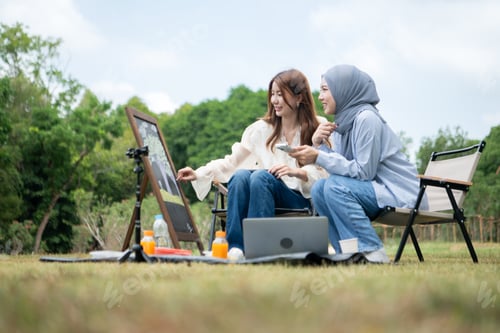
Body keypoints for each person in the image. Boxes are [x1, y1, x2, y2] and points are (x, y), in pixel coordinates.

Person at [177, 69, 327, 260]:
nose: (274, 100)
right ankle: (235, 249)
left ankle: (259, 250)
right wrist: (199, 173)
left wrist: (297, 172)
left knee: (261, 176)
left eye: (280, 94)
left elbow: (325, 169)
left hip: (298, 197)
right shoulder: (261, 130)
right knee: (240, 176)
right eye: (272, 94)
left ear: (299, 98)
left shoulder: (317, 126)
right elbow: (231, 162)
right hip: (263, 192)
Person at [290, 64, 428, 263]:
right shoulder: (343, 124)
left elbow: (364, 171)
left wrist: (318, 157)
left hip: (398, 193)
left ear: (343, 89)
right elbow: (342, 166)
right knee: (320, 187)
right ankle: (346, 253)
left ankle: (372, 252)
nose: (319, 96)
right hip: (374, 191)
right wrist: (318, 145)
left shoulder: (366, 119)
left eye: (325, 89)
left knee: (334, 187)